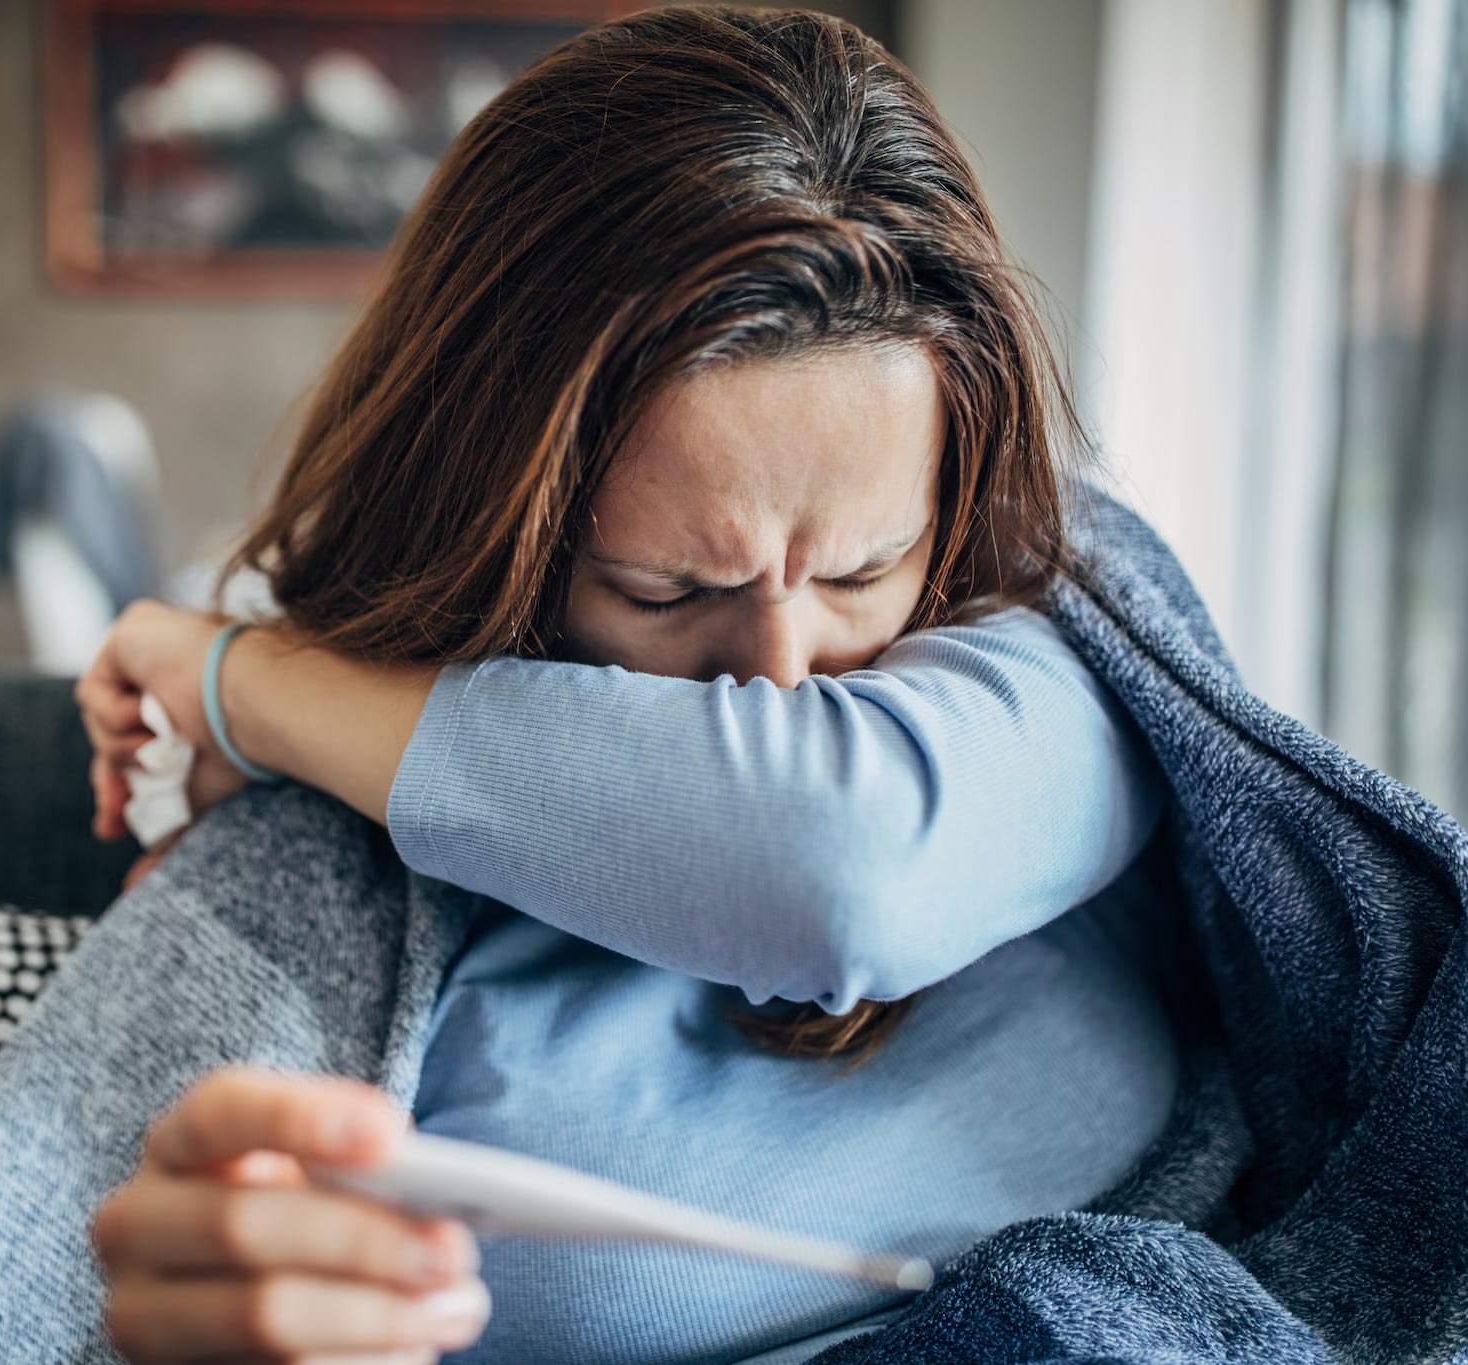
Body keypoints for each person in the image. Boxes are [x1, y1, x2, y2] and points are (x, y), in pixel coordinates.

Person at [76, 8, 1181, 1362]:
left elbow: (835, 858)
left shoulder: (1059, 658)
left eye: (862, 571)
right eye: (670, 591)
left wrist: (248, 682)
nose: (780, 680)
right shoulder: (321, 862)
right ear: (500, 538)